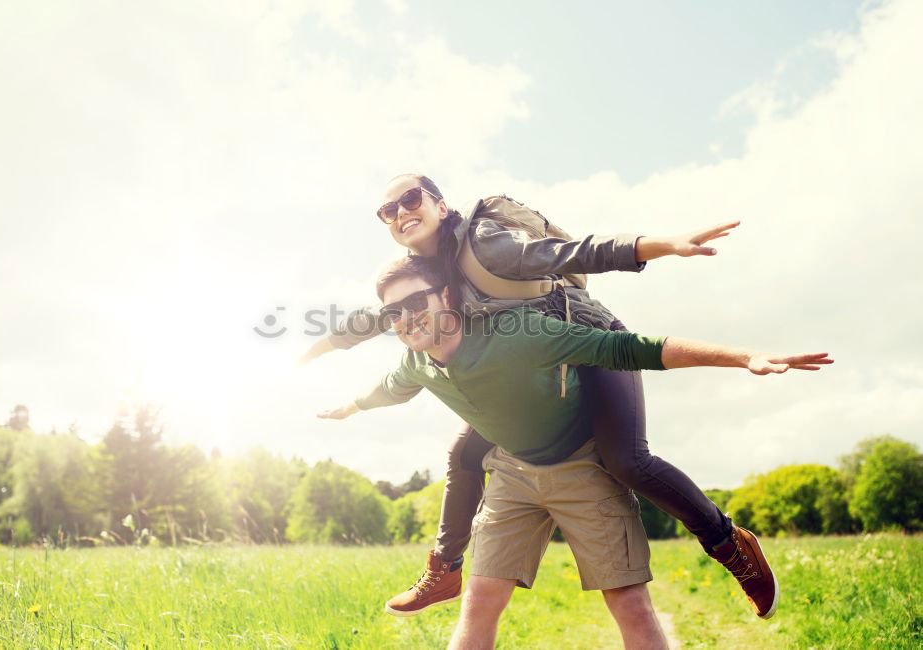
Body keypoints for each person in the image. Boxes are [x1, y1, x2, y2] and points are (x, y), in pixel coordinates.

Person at [302, 173, 775, 618]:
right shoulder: (420, 274)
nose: (401, 211)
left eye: (411, 199)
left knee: (627, 462)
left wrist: (661, 245)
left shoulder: (486, 245)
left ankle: (727, 543)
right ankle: (443, 573)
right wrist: (311, 352)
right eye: (387, 210)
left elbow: (570, 254)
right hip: (528, 361)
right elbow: (373, 319)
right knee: (463, 454)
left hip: (585, 338)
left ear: (440, 205)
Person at [319, 255, 832, 647]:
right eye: (392, 312)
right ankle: (442, 570)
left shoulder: (516, 336)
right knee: (477, 606)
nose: (406, 318)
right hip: (513, 477)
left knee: (629, 604)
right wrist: (349, 408)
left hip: (584, 464)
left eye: (416, 301)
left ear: (447, 295)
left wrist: (745, 357)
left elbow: (631, 349)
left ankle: (729, 542)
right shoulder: (416, 365)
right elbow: (386, 389)